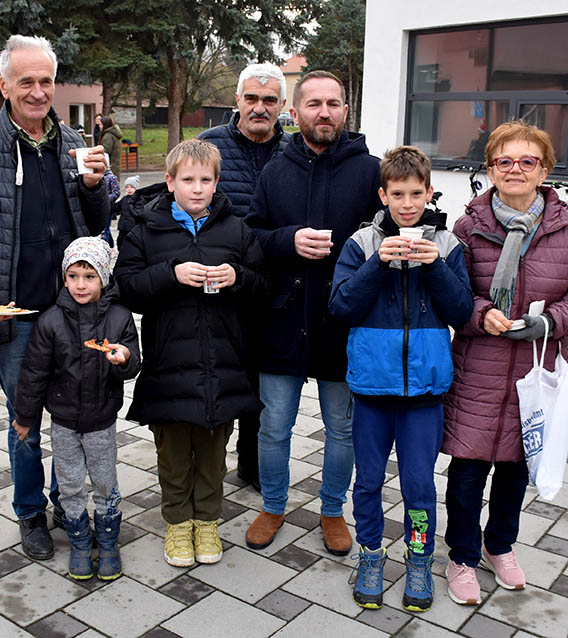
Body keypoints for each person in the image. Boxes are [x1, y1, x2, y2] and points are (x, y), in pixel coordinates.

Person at [0, 34, 110, 562]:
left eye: (46, 81)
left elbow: (98, 225)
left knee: (71, 414)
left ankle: (67, 503)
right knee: (25, 420)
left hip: (72, 312)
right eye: (27, 82)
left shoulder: (74, 144)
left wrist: (94, 187)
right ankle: (29, 511)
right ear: (4, 85)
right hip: (14, 317)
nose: (38, 92)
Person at [442, 121, 568, 605]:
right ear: (490, 169)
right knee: (468, 473)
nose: (515, 169)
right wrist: (479, 313)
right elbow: (452, 292)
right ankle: (462, 555)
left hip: (536, 371)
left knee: (516, 470)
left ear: (544, 170)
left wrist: (552, 322)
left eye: (526, 161)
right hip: (478, 366)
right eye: (504, 161)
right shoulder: (468, 227)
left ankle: (501, 546)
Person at [330, 146, 473, 612]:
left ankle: (418, 557)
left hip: (425, 391)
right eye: (397, 194)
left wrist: (432, 264)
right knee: (368, 480)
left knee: (418, 484)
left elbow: (461, 311)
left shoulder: (449, 246)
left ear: (430, 193)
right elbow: (341, 306)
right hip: (372, 387)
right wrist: (379, 264)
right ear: (383, 195)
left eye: (416, 193)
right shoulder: (361, 244)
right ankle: (371, 553)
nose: (407, 203)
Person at [244, 70, 381, 555]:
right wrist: (288, 240)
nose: (325, 112)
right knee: (273, 425)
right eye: (314, 104)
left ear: (346, 110)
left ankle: (330, 510)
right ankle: (274, 505)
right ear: (295, 112)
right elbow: (252, 237)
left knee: (341, 428)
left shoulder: (372, 172)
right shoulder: (275, 171)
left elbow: (395, 229)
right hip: (281, 321)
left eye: (334, 103)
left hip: (343, 324)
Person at [114, 139, 268, 567]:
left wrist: (236, 276)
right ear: (170, 182)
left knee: (214, 452)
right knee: (174, 454)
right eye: (188, 180)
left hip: (223, 364)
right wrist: (170, 273)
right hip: (168, 365)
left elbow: (262, 287)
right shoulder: (146, 229)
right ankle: (178, 524)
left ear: (217, 183)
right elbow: (127, 287)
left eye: (205, 180)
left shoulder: (236, 230)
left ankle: (209, 522)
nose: (197, 188)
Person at [13, 237, 140, 580]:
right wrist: (26, 416)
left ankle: (109, 541)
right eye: (73, 276)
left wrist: (123, 359)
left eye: (89, 276)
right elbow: (34, 373)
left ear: (104, 278)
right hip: (64, 422)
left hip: (102, 421)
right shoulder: (51, 321)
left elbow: (132, 359)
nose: (80, 285)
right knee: (69, 485)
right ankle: (80, 541)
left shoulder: (119, 316)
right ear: (64, 278)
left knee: (104, 481)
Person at [198, 62, 291, 492]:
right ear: (236, 100)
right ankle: (207, 470)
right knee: (217, 382)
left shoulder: (294, 152)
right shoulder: (208, 145)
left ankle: (253, 469)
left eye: (269, 100)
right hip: (216, 291)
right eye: (251, 98)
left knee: (262, 388)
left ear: (282, 106)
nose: (259, 107)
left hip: (270, 291)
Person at [99, 115, 123, 181]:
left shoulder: (108, 136)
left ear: (105, 125)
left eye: (101, 124)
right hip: (115, 166)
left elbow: (105, 151)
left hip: (110, 166)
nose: (99, 126)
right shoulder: (114, 134)